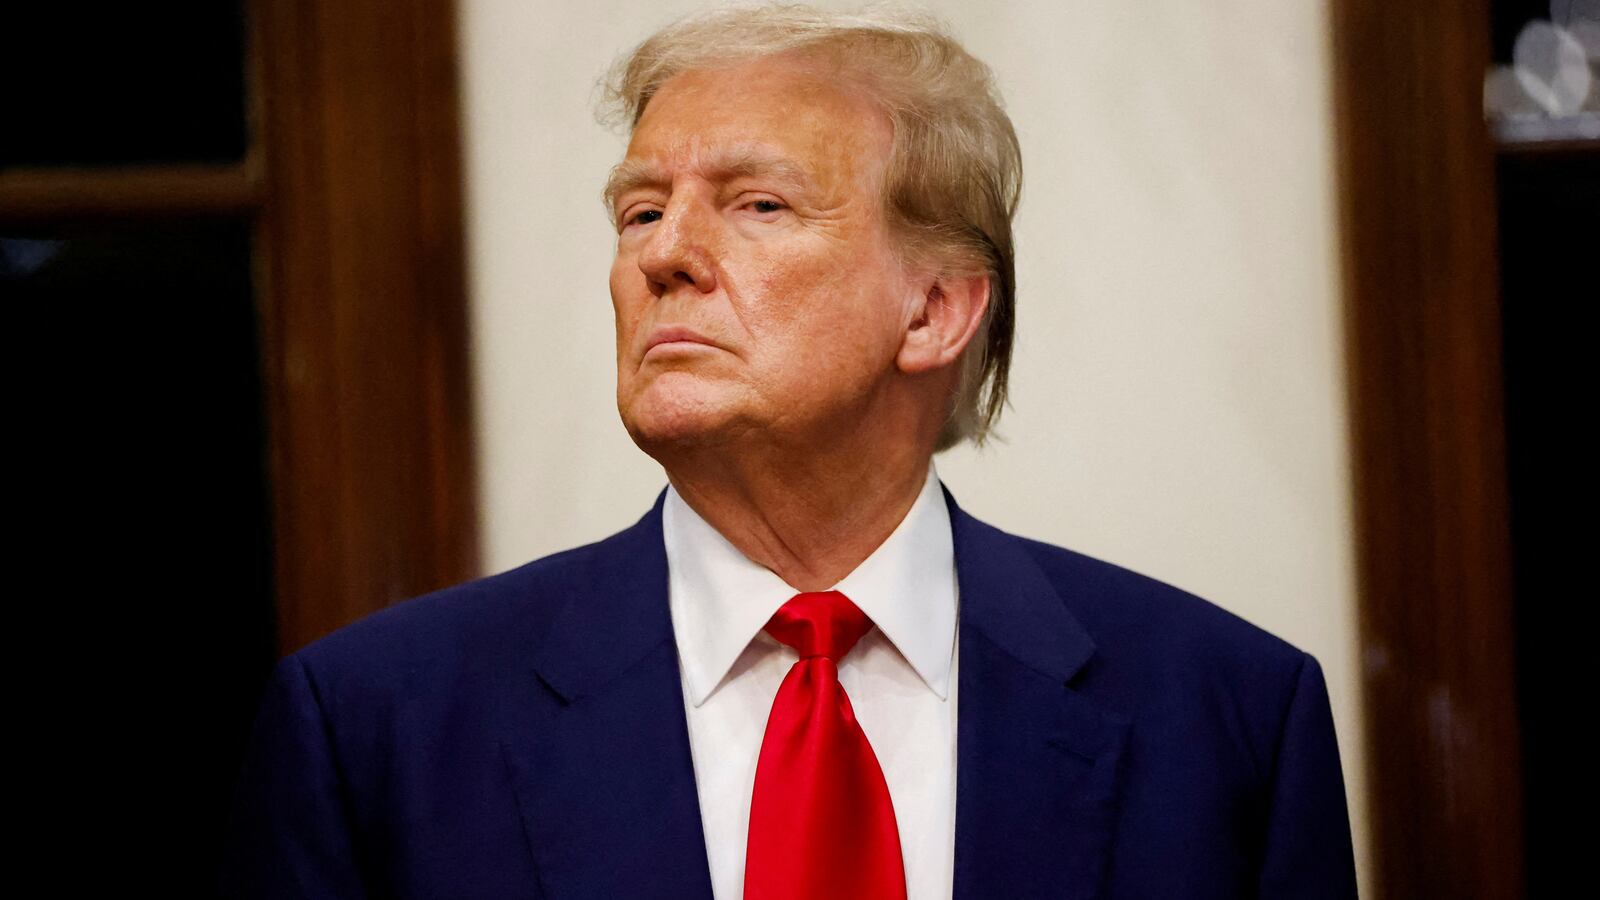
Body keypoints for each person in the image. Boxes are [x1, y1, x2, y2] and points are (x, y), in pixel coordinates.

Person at [220, 5, 1358, 898]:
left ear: (935, 311)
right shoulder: (375, 729)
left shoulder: (1224, 718)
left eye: (757, 206)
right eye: (640, 211)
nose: (665, 254)